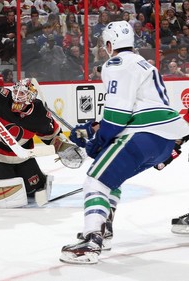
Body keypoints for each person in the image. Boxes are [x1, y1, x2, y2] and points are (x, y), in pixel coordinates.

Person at [61, 20, 189, 264]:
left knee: (96, 180)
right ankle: (104, 230)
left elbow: (117, 118)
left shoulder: (117, 64)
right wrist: (94, 130)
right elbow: (132, 111)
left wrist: (98, 141)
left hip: (143, 136)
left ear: (110, 44)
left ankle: (91, 240)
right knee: (112, 178)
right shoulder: (143, 64)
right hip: (165, 141)